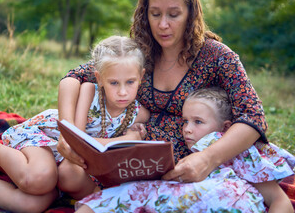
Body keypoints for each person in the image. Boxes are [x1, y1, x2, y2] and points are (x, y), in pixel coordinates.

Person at [57, 0, 268, 185]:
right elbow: (74, 76)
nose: (163, 25)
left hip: (186, 172)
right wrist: (68, 134)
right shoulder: (139, 50)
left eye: (174, 15)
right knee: (50, 183)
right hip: (120, 163)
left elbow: (253, 116)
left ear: (190, 14)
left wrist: (208, 158)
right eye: (155, 14)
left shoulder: (217, 57)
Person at [0, 36, 150, 213]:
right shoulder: (90, 91)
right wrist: (127, 139)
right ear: (99, 78)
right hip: (48, 138)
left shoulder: (139, 113)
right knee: (39, 179)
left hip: (70, 165)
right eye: (114, 83)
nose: (123, 91)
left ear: (140, 77)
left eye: (130, 82)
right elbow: (79, 141)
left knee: (31, 205)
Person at [74, 87, 295, 213]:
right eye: (185, 121)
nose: (187, 129)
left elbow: (279, 201)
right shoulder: (190, 156)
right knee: (134, 191)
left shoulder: (235, 149)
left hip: (227, 200)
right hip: (189, 201)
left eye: (198, 122)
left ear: (225, 128)